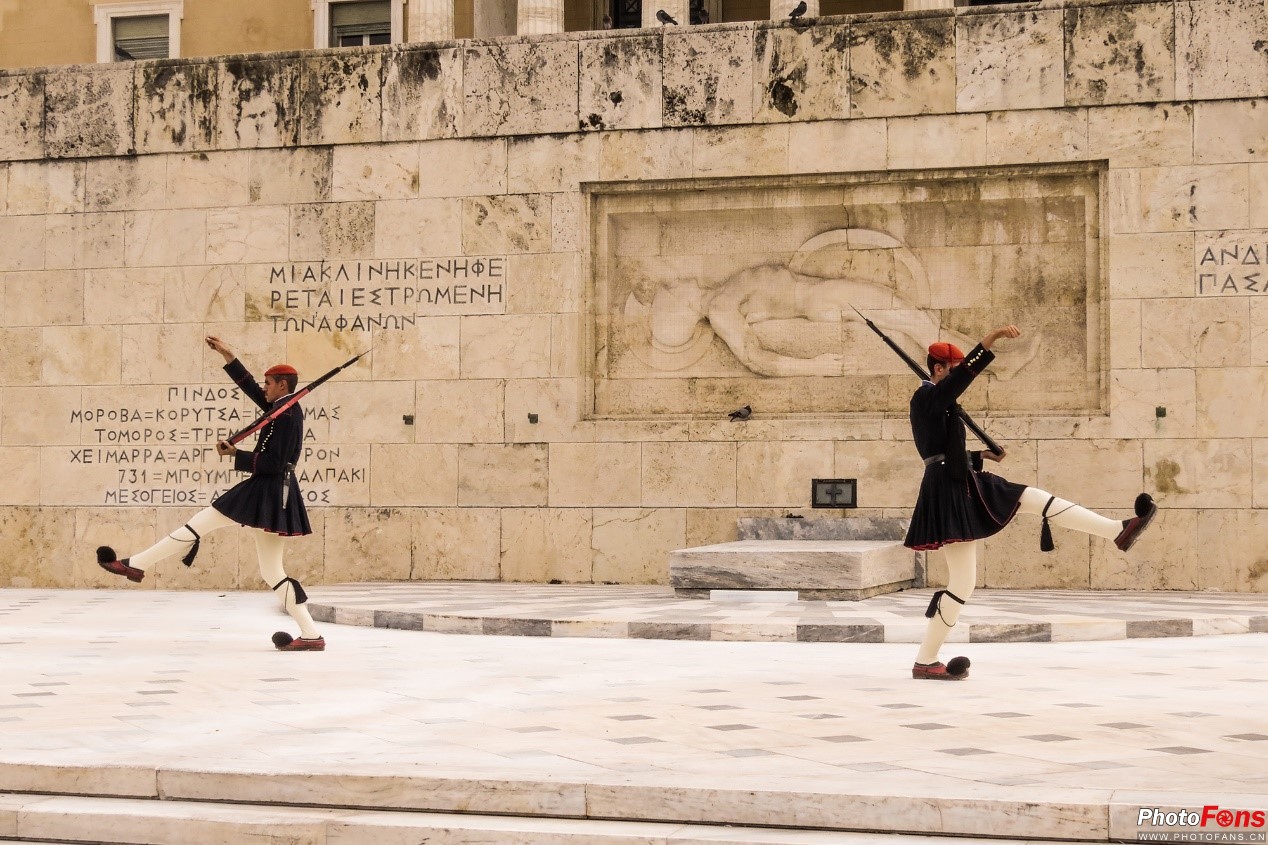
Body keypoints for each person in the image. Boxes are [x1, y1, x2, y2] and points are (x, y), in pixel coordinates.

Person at [906, 327, 1156, 680]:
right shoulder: (926, 398)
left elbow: (942, 449)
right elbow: (939, 447)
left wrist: (981, 457)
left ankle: (1117, 530)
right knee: (963, 583)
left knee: (1030, 498)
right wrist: (989, 342)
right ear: (938, 369)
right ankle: (926, 660)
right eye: (954, 367)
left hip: (959, 480)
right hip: (948, 490)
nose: (960, 373)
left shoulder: (936, 400)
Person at [97, 336, 325, 652]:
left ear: (283, 386)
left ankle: (135, 565)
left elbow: (276, 463)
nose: (265, 388)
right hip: (274, 494)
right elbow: (252, 391)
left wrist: (236, 454)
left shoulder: (287, 415)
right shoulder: (280, 408)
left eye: (269, 384)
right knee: (271, 571)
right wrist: (230, 357)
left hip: (268, 490)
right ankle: (311, 635)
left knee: (197, 525)